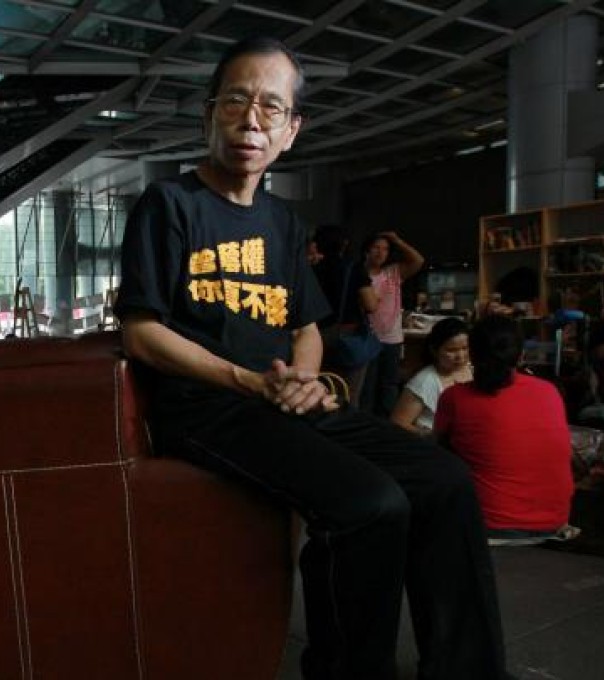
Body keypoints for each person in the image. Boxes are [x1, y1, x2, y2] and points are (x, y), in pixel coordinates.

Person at [115, 36, 507, 680]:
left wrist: (303, 377)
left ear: (291, 131)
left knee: (445, 480)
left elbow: (308, 326)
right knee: (372, 504)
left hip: (282, 403)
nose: (251, 120)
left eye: (271, 107)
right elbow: (141, 333)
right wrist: (246, 379)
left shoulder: (283, 222)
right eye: (236, 101)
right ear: (209, 114)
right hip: (209, 410)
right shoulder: (170, 205)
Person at [435, 315, 574, 544]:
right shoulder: (549, 391)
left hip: (491, 526)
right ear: (520, 355)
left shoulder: (455, 398)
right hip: (555, 521)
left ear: (472, 353)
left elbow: (439, 454)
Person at [360, 230, 425, 416]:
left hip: (392, 338)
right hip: (368, 337)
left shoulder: (393, 272)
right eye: (376, 248)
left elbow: (418, 261)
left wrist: (397, 240)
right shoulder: (359, 273)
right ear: (367, 250)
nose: (381, 253)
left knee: (389, 385)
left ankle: (388, 424)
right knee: (368, 386)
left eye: (385, 249)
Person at [313, 225, 379, 406]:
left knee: (320, 390)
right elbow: (370, 304)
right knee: (349, 394)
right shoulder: (353, 268)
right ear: (344, 244)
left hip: (316, 337)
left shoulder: (311, 269)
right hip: (347, 335)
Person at [390, 317, 471, 435]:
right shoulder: (425, 381)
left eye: (465, 348)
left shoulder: (472, 370)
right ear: (434, 350)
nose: (460, 356)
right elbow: (397, 423)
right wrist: (429, 436)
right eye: (451, 350)